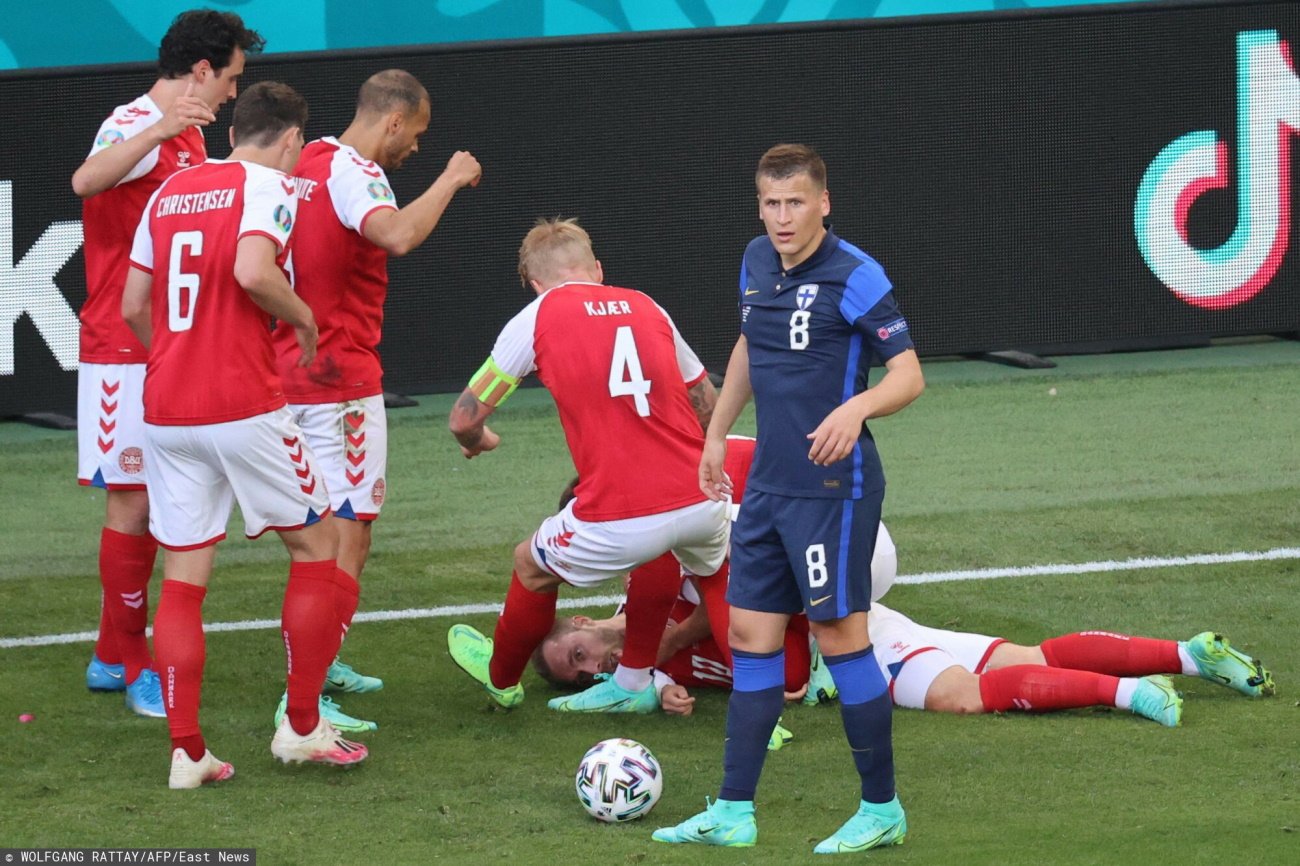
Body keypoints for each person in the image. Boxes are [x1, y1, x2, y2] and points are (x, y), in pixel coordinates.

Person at [654, 144, 925, 853]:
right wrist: (717, 434)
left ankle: (882, 808)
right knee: (750, 639)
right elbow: (751, 345)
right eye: (771, 204)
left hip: (832, 491)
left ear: (823, 203)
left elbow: (908, 374)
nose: (782, 218)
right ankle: (735, 811)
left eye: (795, 202)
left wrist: (857, 407)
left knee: (841, 641)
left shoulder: (856, 275)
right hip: (768, 487)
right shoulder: (754, 261)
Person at [120, 82, 367, 789]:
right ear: (291, 141)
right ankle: (299, 727)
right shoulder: (271, 186)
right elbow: (253, 270)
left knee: (185, 578)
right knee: (321, 543)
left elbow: (135, 305)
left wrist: (173, 352)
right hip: (242, 401)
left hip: (165, 406)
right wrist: (305, 319)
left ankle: (188, 751)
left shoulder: (169, 193)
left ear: (232, 133)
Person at [445, 217, 729, 714]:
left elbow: (464, 417)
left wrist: (478, 440)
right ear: (597, 269)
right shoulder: (648, 304)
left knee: (530, 567)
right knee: (709, 574)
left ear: (536, 286)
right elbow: (707, 400)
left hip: (618, 513)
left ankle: (502, 681)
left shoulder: (539, 316)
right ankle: (750, 707)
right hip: (701, 496)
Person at [269, 69, 482, 730]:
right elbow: (394, 235)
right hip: (337, 381)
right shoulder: (355, 171)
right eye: (414, 135)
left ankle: (318, 667)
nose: (415, 148)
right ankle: (305, 692)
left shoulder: (302, 158)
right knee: (345, 539)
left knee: (322, 537)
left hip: (289, 372)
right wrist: (449, 179)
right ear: (392, 121)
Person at [72, 9, 264, 718]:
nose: (232, 94)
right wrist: (156, 131)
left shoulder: (191, 135)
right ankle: (132, 663)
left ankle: (106, 652)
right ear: (203, 70)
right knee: (132, 502)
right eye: (232, 79)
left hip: (162, 344)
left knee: (150, 501)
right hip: (121, 349)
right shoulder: (134, 121)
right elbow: (86, 182)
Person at [869, 603, 1275, 722]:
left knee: (962, 694)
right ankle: (1188, 655)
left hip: (849, 627)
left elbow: (798, 669)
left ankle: (1137, 693)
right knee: (1027, 658)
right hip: (865, 608)